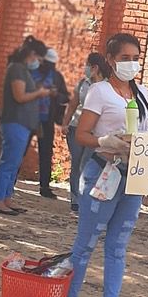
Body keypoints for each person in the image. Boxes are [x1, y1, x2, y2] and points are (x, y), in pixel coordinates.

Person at [61, 33, 148, 297]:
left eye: (135, 57)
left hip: (132, 179)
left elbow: (147, 136)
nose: (130, 63)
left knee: (117, 247)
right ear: (111, 60)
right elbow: (82, 133)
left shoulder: (142, 96)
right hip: (101, 173)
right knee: (86, 241)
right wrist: (104, 141)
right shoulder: (99, 92)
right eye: (124, 58)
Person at [0, 36, 50, 215]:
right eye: (39, 59)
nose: (38, 63)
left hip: (22, 124)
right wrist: (39, 93)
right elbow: (19, 96)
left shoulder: (23, 70)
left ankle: (7, 197)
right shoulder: (17, 69)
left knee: (14, 162)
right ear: (32, 54)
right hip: (14, 122)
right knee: (8, 162)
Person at [61, 52, 110, 212]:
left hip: (95, 132)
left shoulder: (107, 86)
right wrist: (65, 123)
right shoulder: (83, 83)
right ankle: (75, 198)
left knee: (87, 164)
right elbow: (73, 104)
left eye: (87, 65)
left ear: (95, 68)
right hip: (76, 127)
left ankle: (86, 197)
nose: (85, 68)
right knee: (76, 163)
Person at [27, 48, 69, 199]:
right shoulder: (32, 73)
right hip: (29, 118)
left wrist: (56, 94)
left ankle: (44, 186)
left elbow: (65, 96)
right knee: (21, 149)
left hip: (47, 119)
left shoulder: (56, 76)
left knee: (46, 153)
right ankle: (10, 181)